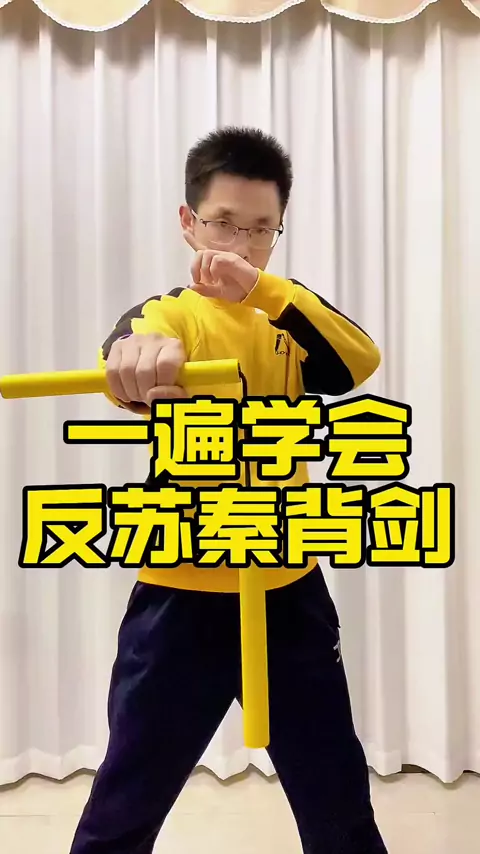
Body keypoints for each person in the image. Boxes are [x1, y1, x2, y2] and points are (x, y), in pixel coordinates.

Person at [69, 127, 387, 854]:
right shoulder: (170, 314)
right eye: (222, 223)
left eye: (260, 229)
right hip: (178, 597)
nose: (239, 247)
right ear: (188, 222)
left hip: (287, 592)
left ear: (278, 230)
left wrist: (263, 291)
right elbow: (129, 349)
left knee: (337, 798)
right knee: (125, 802)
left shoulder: (286, 318)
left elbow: (358, 359)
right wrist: (139, 361)